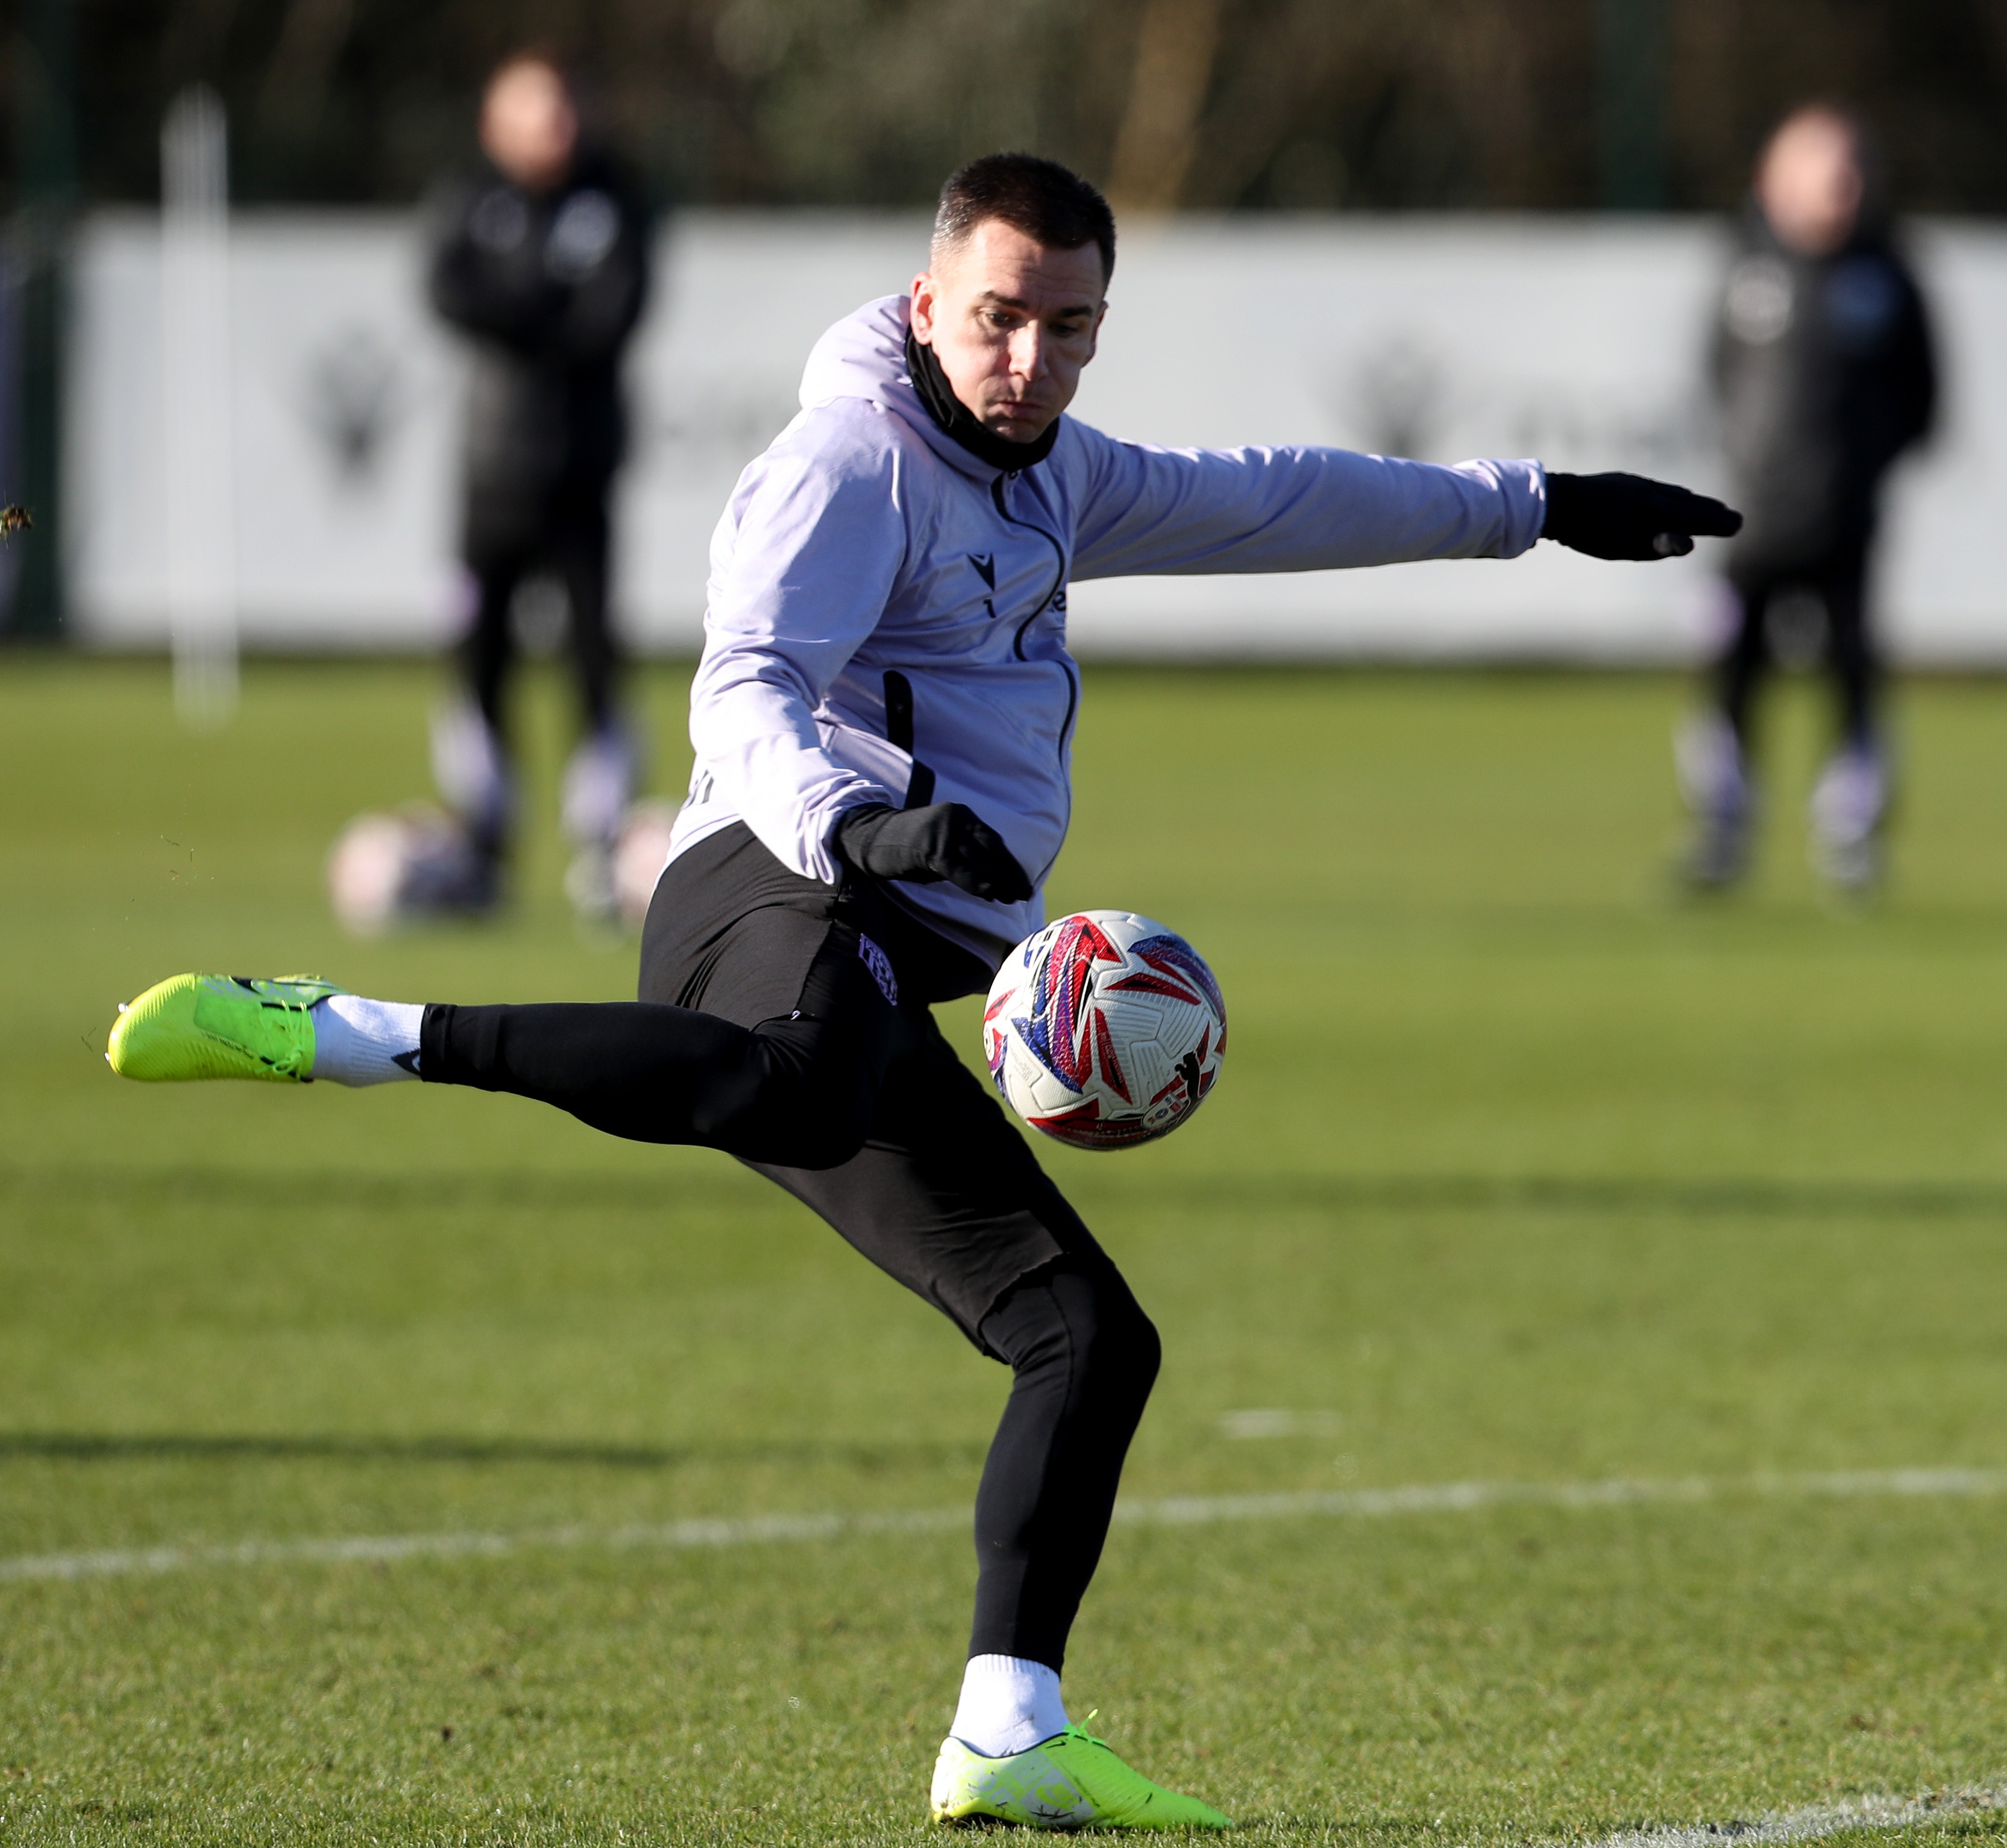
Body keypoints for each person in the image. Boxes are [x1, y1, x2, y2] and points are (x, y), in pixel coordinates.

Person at [108, 154, 1736, 1829]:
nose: (1028, 357)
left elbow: (1277, 495)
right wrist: (856, 817)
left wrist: (1534, 504)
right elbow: (743, 684)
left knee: (1087, 1339)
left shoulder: (1058, 476)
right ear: (927, 302)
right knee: (801, 1073)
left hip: (890, 942)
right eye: (999, 317)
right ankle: (347, 1031)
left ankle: (1007, 1724)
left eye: (1069, 325)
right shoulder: (849, 461)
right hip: (773, 881)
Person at [1681, 104, 1937, 895]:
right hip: (1751, 526)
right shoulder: (1743, 269)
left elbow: (1923, 399)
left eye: (1853, 170)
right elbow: (1717, 381)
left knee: (1851, 679)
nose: (1841, 187)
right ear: (1774, 179)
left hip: (1847, 525)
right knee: (1729, 675)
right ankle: (1720, 828)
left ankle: (1850, 840)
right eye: (1824, 170)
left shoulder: (1888, 276)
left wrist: (1856, 469)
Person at [419, 51, 651, 918]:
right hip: (490, 474)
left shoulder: (612, 195)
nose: (550, 128)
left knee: (593, 659)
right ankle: (481, 843)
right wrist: (543, 301)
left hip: (583, 473)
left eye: (561, 110)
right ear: (494, 121)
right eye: (529, 112)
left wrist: (527, 308)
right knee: (478, 662)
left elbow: (616, 312)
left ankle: (606, 851)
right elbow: (447, 292)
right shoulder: (470, 196)